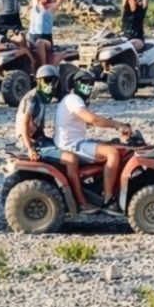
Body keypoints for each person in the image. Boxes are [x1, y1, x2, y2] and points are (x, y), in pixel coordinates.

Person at [16, 65, 93, 213]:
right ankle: (81, 201)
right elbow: (24, 124)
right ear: (38, 81)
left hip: (40, 140)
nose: (50, 84)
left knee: (66, 146)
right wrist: (30, 149)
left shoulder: (41, 96)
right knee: (71, 159)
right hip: (32, 142)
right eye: (47, 80)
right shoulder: (32, 98)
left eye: (53, 81)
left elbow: (66, 96)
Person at [54, 70, 132, 213]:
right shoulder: (73, 99)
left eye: (91, 84)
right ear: (76, 84)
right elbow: (92, 119)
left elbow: (90, 121)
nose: (89, 87)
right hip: (71, 145)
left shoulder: (74, 100)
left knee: (111, 144)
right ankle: (108, 200)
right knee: (112, 154)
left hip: (75, 141)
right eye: (85, 83)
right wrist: (117, 125)